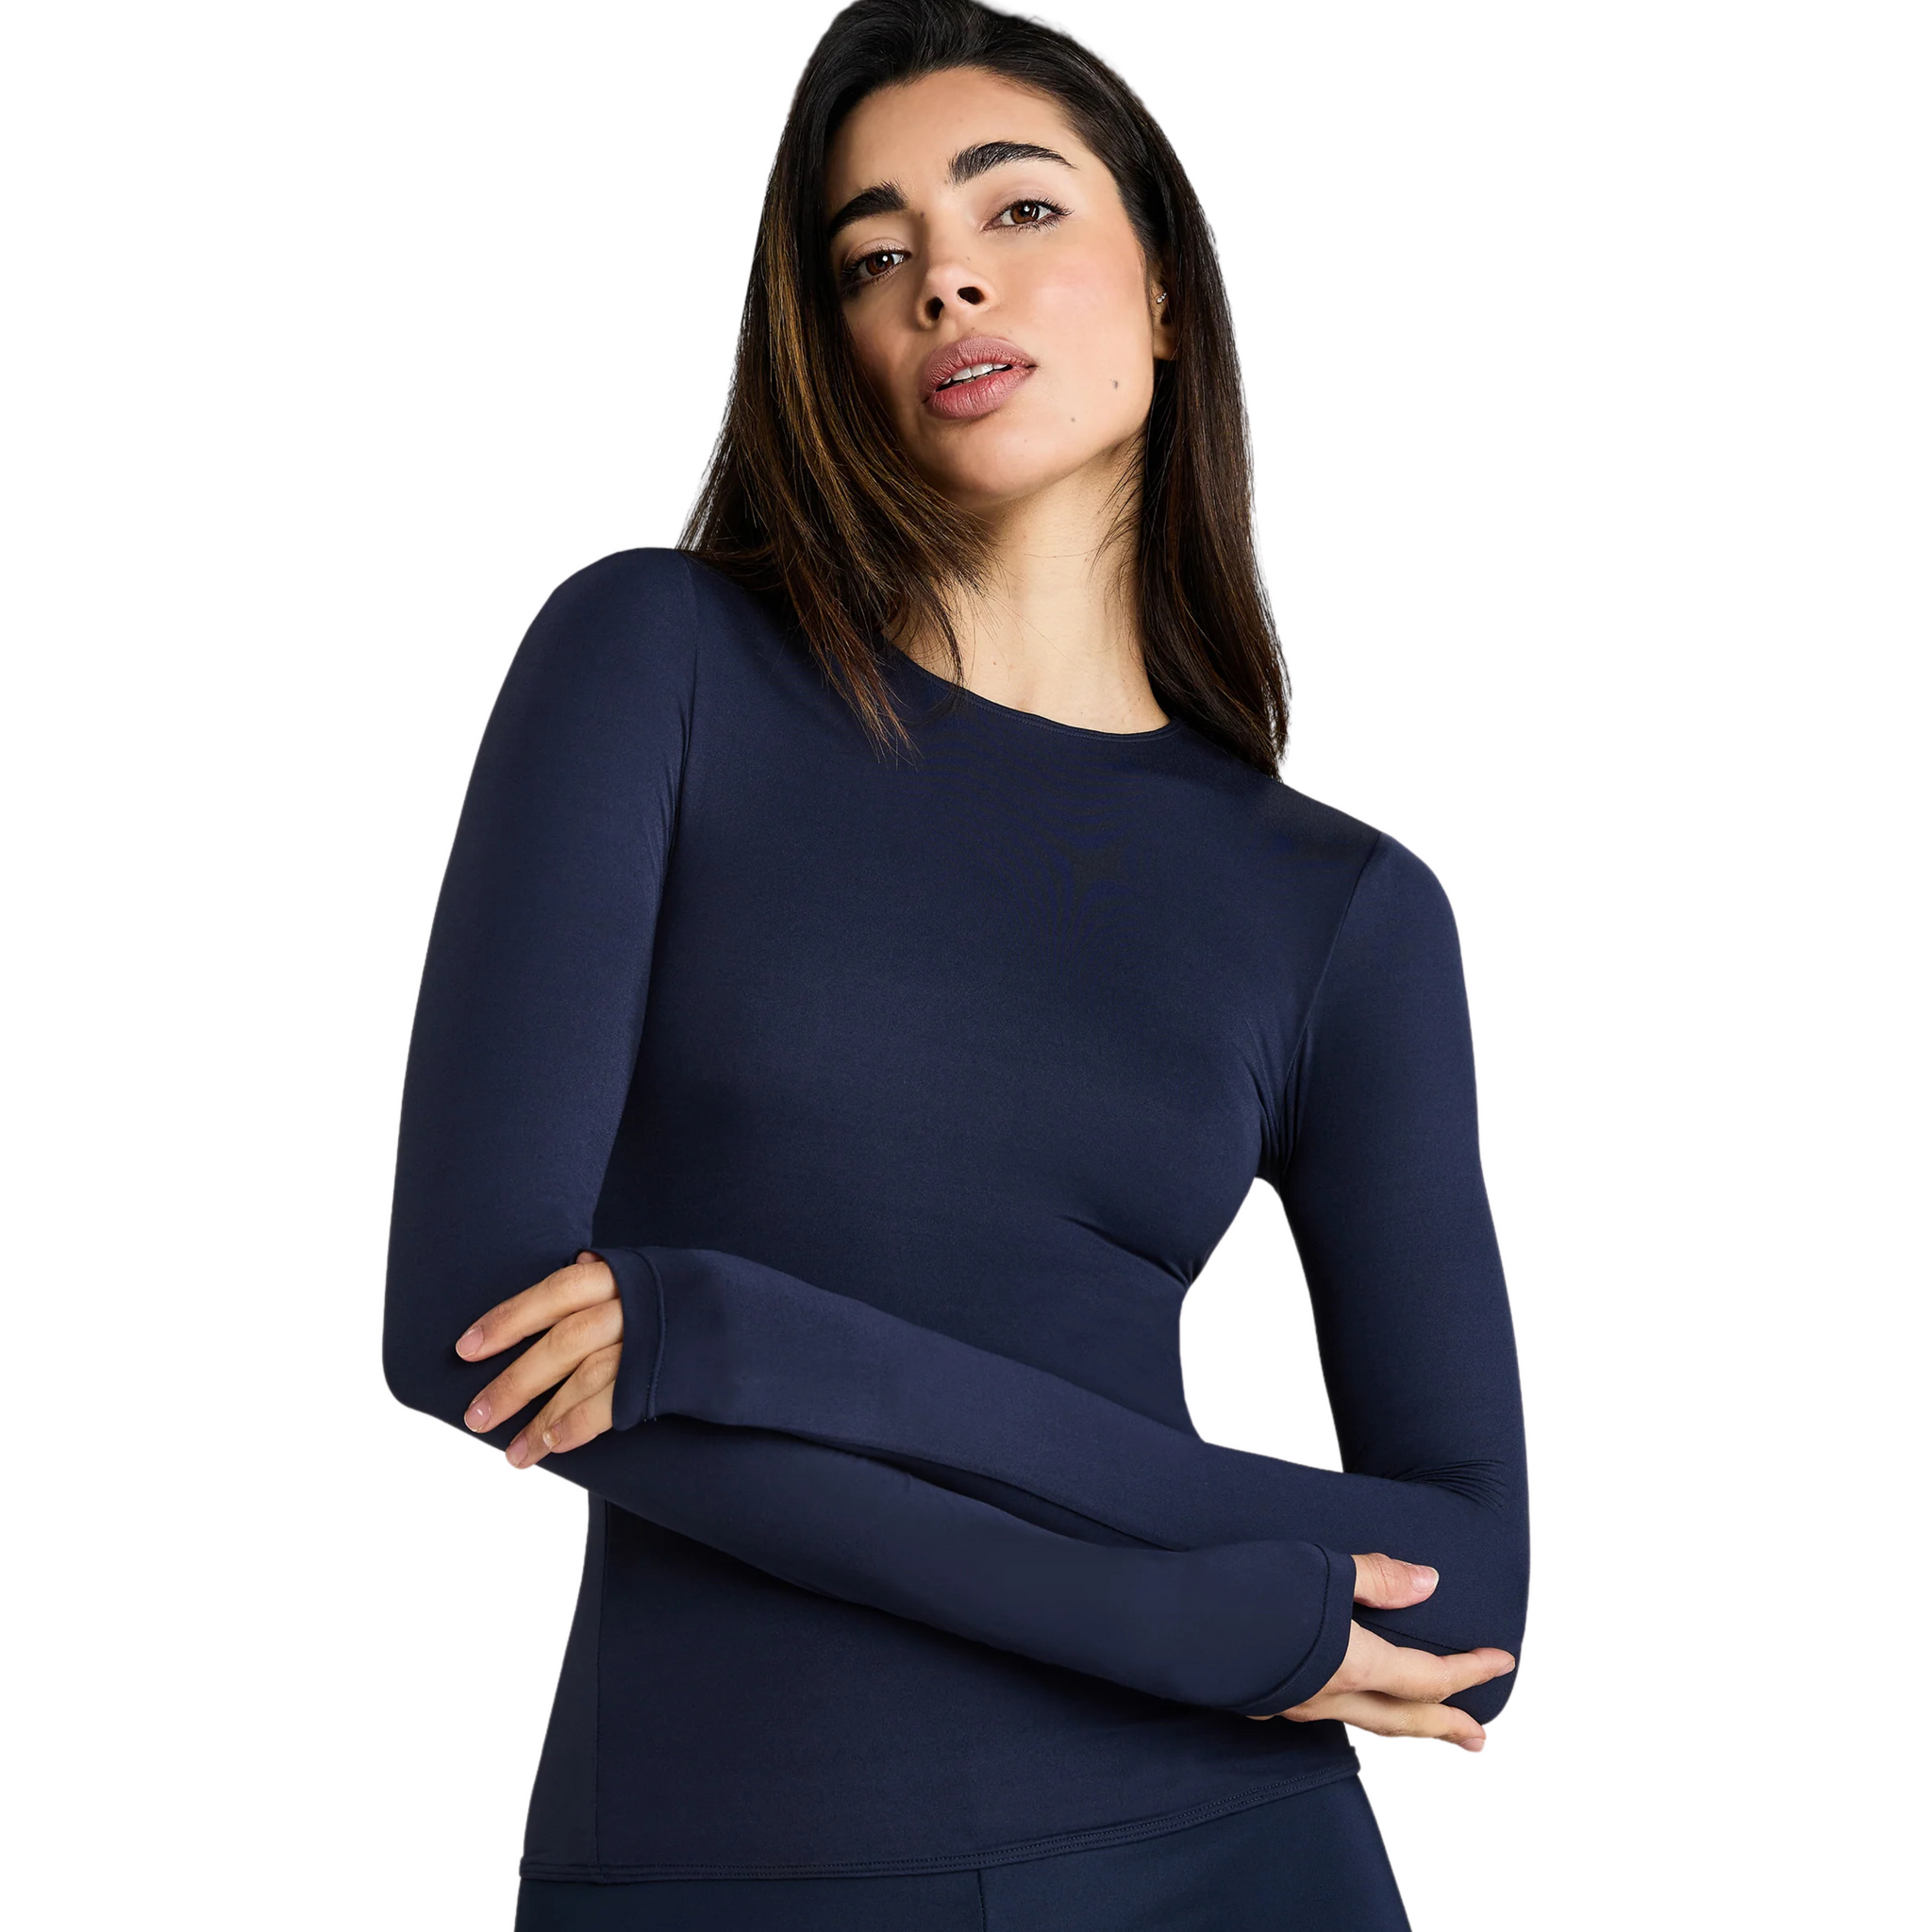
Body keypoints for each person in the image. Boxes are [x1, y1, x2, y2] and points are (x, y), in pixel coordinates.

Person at [381, 2, 1530, 1925]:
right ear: (827, 346)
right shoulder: (656, 663)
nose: (946, 279)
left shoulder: (1339, 908)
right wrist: (1183, 1605)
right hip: (726, 1861)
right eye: (872, 255)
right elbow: (471, 1326)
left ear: (1166, 292)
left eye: (1019, 209)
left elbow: (1469, 1585)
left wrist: (735, 1334)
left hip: (1224, 1856)